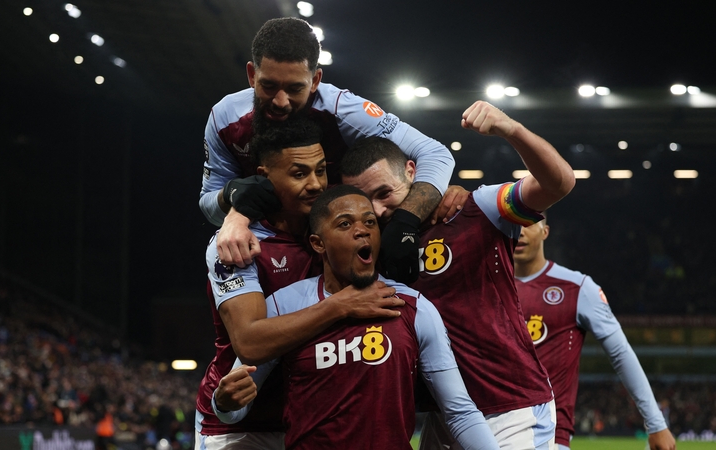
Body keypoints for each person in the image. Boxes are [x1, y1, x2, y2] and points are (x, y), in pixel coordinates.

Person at [340, 101, 576, 450]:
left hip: (511, 409)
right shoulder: (367, 246)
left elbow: (559, 184)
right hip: (444, 418)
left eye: (384, 193)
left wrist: (511, 129)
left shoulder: (476, 209)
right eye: (365, 200)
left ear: (411, 171)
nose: (377, 209)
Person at [212, 185, 500, 450]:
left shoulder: (413, 307)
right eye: (345, 224)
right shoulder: (284, 304)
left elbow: (459, 411)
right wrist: (223, 401)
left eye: (370, 222)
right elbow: (233, 408)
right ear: (318, 243)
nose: (362, 231)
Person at [196, 116, 402, 450]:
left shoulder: (339, 225)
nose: (316, 184)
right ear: (264, 177)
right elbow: (250, 343)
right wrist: (339, 305)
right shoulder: (237, 243)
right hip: (242, 424)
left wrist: (443, 193)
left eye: (320, 170)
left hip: (316, 422)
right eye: (299, 174)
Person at [201, 17, 455, 283]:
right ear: (252, 75)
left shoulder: (345, 110)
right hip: (267, 253)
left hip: (346, 256)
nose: (280, 101)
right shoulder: (224, 117)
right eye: (269, 85)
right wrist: (231, 203)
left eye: (295, 88)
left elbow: (435, 154)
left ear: (315, 80)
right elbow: (209, 203)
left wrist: (406, 220)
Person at [513, 215, 677, 450]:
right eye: (513, 224)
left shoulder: (578, 288)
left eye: (528, 224)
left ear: (545, 231)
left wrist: (656, 423)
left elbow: (621, 353)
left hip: (546, 436)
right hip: (487, 430)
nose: (520, 232)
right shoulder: (483, 285)